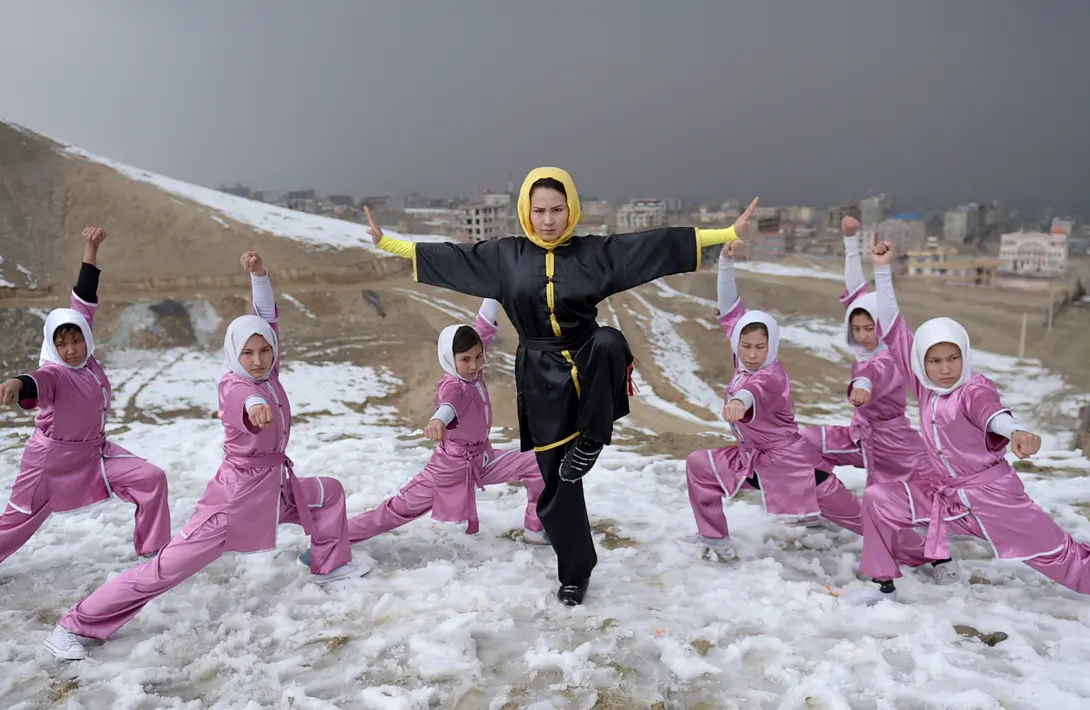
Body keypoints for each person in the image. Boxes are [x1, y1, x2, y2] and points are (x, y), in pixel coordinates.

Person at [365, 166, 752, 605]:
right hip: (539, 377)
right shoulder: (504, 256)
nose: (548, 220)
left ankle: (591, 438)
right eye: (540, 211)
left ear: (570, 208)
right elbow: (453, 257)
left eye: (556, 209)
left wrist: (724, 232)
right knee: (556, 483)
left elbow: (653, 247)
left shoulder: (594, 253)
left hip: (588, 361)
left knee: (609, 340)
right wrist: (387, 243)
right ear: (527, 213)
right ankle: (575, 571)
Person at [850, 240, 1090, 628]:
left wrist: (1014, 431)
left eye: (953, 358)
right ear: (922, 362)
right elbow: (894, 327)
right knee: (881, 498)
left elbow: (991, 412)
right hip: (945, 495)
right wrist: (881, 268)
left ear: (964, 357)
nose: (945, 368)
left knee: (1070, 564)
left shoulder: (972, 387)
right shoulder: (925, 384)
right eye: (935, 360)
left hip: (995, 500)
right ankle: (885, 585)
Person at [43, 251, 370, 660]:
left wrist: (259, 276)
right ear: (235, 354)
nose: (256, 360)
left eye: (263, 352)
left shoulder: (268, 371)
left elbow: (267, 320)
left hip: (272, 489)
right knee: (163, 572)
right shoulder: (238, 386)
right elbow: (245, 404)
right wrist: (255, 410)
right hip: (233, 503)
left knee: (329, 493)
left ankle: (329, 564)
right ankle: (73, 626)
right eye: (248, 354)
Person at [0, 227, 171, 581]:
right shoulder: (56, 373)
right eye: (63, 344)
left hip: (95, 455)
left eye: (77, 340)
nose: (72, 349)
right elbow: (35, 381)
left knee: (151, 478)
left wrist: (90, 249)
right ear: (54, 347)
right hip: (50, 464)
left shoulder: (87, 360)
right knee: (14, 524)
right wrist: (16, 383)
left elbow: (84, 301)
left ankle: (155, 554)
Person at [799, 216, 960, 584]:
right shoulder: (863, 330)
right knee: (804, 443)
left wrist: (862, 386)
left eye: (870, 327)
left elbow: (874, 375)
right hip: (861, 434)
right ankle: (809, 501)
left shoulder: (893, 354)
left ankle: (939, 557)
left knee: (926, 493)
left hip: (895, 442)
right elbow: (855, 289)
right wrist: (850, 242)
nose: (863, 334)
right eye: (856, 328)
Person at [344, 298, 547, 546]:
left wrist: (495, 291)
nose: (473, 365)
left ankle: (535, 530)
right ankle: (334, 539)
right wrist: (438, 421)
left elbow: (482, 330)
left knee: (539, 462)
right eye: (466, 359)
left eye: (478, 357)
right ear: (450, 359)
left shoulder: (472, 368)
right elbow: (447, 406)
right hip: (449, 470)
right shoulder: (454, 386)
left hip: (483, 460)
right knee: (397, 510)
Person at [679, 238, 827, 556]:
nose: (752, 353)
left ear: (771, 345)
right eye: (746, 346)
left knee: (851, 511)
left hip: (784, 464)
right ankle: (715, 538)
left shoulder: (771, 374)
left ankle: (917, 544)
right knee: (699, 466)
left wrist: (737, 403)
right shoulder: (743, 358)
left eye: (760, 347)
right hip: (755, 460)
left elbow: (753, 392)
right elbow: (732, 310)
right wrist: (726, 263)